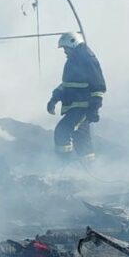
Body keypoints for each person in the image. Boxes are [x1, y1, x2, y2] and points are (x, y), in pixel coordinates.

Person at [46, 31, 105, 162]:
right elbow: (67, 85)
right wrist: (54, 99)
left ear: (73, 44)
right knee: (81, 139)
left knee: (62, 131)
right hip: (75, 108)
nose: (65, 52)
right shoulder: (72, 62)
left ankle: (63, 163)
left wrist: (93, 110)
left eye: (66, 48)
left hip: (82, 109)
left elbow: (98, 88)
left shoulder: (89, 61)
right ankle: (89, 168)